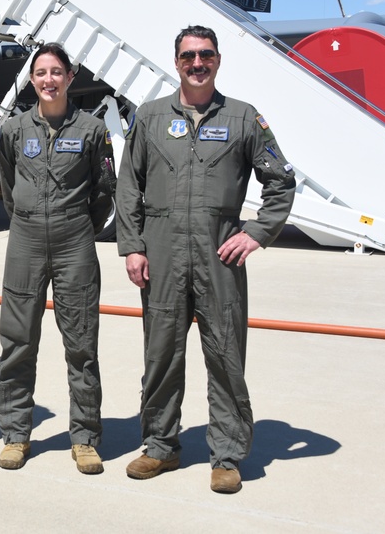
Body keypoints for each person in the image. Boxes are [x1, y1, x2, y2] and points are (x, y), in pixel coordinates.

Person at [116, 25, 296, 494]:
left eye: (206, 55)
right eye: (188, 56)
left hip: (219, 256)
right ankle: (159, 446)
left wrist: (256, 233)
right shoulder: (151, 117)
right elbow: (128, 185)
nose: (197, 63)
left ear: (218, 60)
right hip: (162, 253)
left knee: (224, 354)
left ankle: (228, 454)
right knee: (160, 355)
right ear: (176, 62)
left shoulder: (241, 118)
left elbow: (280, 181)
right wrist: (132, 245)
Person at [0, 42, 115, 474]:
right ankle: (15, 435)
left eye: (56, 72)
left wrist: (77, 224)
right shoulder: (13, 130)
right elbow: (8, 184)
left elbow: (104, 191)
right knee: (17, 341)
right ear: (32, 79)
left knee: (81, 343)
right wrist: (28, 217)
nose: (48, 80)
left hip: (74, 240)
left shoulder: (93, 130)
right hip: (24, 238)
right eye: (40, 73)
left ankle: (83, 437)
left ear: (70, 77)